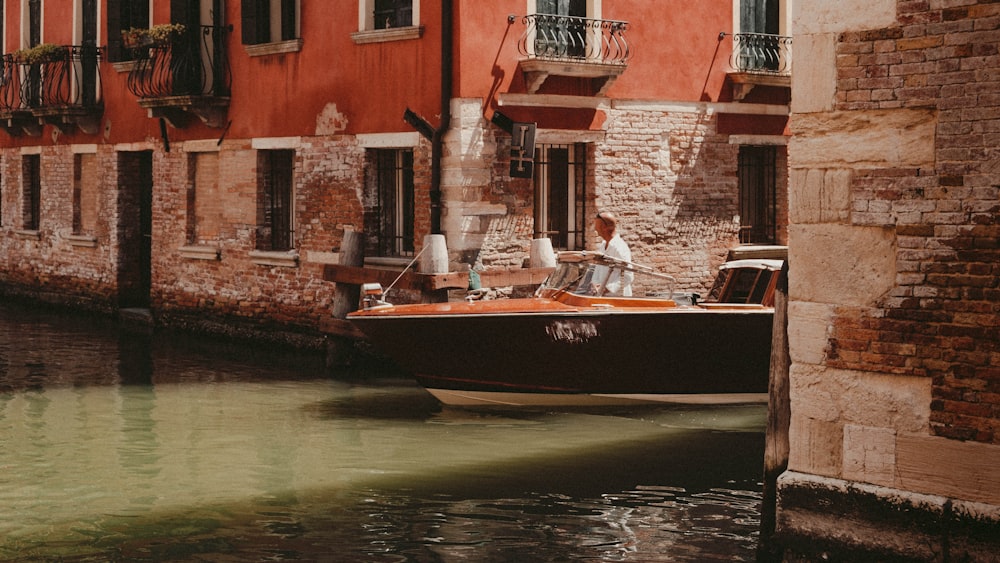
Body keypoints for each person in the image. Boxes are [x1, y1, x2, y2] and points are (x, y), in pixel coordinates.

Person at [592, 211, 634, 296]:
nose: (595, 229)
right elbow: (598, 268)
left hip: (618, 299)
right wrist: (594, 284)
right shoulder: (603, 245)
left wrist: (606, 289)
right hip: (601, 297)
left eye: (597, 225)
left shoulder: (620, 247)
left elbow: (628, 275)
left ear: (604, 227)